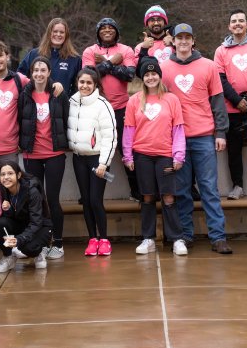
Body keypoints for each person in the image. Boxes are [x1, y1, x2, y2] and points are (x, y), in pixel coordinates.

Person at [160, 23, 232, 254]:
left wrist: (220, 132)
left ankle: (218, 237)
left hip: (204, 137)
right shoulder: (163, 68)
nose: (182, 41)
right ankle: (185, 236)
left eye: (187, 38)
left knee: (209, 188)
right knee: (181, 190)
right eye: (179, 38)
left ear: (193, 41)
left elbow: (218, 103)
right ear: (173, 41)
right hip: (176, 139)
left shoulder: (208, 66)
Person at [122, 57, 188, 256]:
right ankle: (148, 238)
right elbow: (128, 129)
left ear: (159, 76)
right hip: (142, 155)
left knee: (168, 197)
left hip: (165, 156)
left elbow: (178, 129)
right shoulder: (134, 101)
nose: (151, 77)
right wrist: (128, 156)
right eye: (147, 74)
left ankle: (177, 238)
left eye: (154, 74)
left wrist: (179, 155)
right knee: (148, 197)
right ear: (142, 78)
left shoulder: (171, 99)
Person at [0, 40, 62, 174]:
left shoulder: (19, 80)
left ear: (7, 56)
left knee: (10, 189)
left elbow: (39, 82)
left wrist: (55, 84)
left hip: (10, 150)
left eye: (0, 55)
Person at [82, 17, 140, 201]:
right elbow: (90, 76)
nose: (107, 31)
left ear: (117, 31)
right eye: (103, 28)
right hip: (96, 109)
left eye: (111, 28)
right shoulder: (90, 51)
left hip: (121, 108)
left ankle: (137, 191)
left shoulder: (126, 50)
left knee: (127, 150)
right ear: (98, 32)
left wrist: (105, 64)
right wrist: (113, 62)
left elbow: (129, 75)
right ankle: (92, 194)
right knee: (97, 151)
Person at [18, 56, 70, 260]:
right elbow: (18, 119)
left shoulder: (58, 93)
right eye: (35, 70)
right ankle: (36, 242)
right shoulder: (25, 94)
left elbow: (66, 118)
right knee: (34, 200)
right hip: (32, 154)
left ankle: (57, 242)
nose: (39, 74)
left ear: (49, 72)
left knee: (52, 199)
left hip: (55, 154)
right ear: (31, 73)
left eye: (43, 70)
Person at [214, 9, 247, 200]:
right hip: (231, 108)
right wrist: (237, 101)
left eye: (241, 21)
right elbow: (220, 79)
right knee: (234, 150)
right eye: (234, 21)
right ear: (229, 26)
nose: (237, 24)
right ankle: (236, 185)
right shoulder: (221, 51)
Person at [67, 67, 117, 256]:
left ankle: (104, 239)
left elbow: (110, 137)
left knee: (96, 200)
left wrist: (104, 163)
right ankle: (92, 239)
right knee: (86, 200)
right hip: (79, 158)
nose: (85, 86)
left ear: (95, 84)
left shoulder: (103, 105)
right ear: (77, 83)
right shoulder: (71, 102)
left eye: (89, 82)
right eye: (82, 82)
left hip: (98, 160)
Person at [0, 161, 53, 273]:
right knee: (0, 223)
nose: (6, 177)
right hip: (21, 224)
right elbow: (12, 215)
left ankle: (39, 252)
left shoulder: (31, 191)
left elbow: (36, 222)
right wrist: (8, 210)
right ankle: (8, 256)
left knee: (29, 248)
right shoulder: (2, 190)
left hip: (39, 226)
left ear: (18, 175)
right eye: (2, 174)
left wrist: (20, 239)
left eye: (10, 173)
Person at [18, 17, 82, 95]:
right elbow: (20, 77)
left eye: (61, 32)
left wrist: (68, 100)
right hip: (37, 104)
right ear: (49, 33)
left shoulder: (74, 59)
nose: (58, 34)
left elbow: (78, 85)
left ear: (66, 35)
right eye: (55, 31)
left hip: (62, 105)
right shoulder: (34, 54)